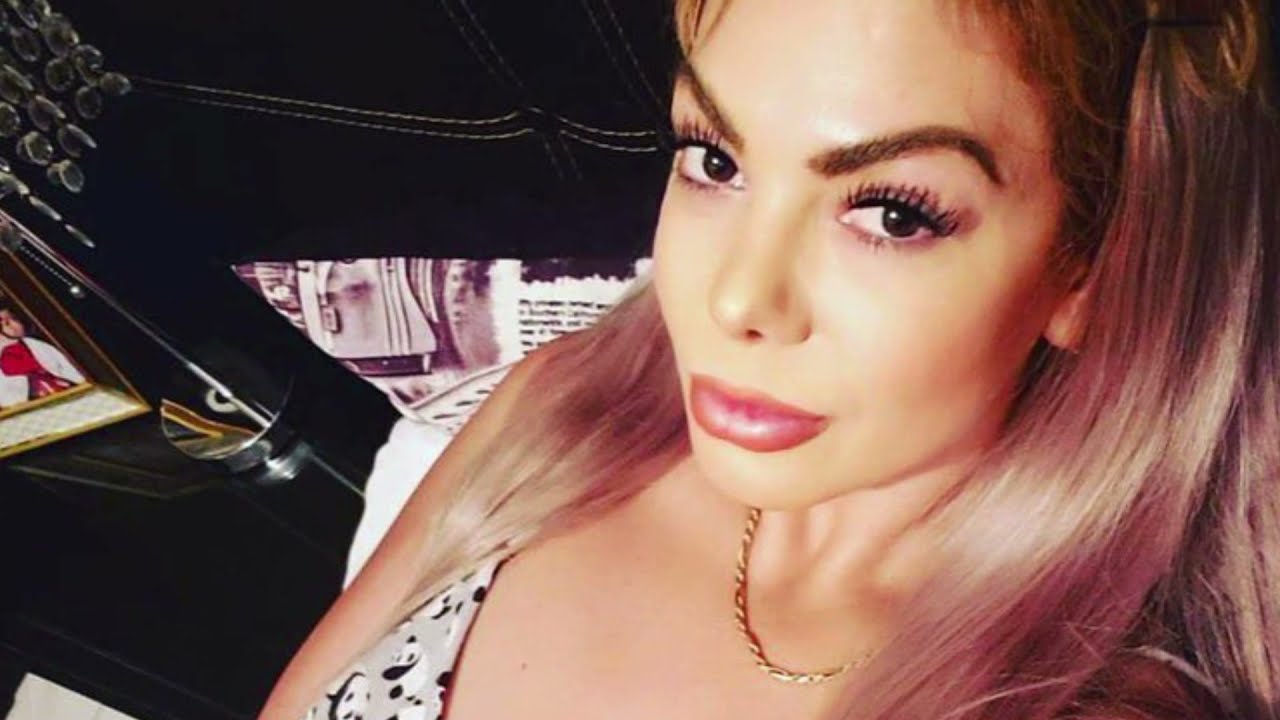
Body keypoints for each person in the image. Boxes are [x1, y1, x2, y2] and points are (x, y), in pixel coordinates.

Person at [259, 0, 1278, 718]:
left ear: (1092, 267)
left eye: (891, 214)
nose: (738, 299)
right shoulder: (557, 416)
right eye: (714, 159)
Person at [0, 305, 86, 409]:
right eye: (3, 322)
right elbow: (6, 396)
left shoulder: (38, 345)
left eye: (13, 318)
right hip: (30, 403)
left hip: (63, 391)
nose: (10, 324)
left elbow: (69, 369)